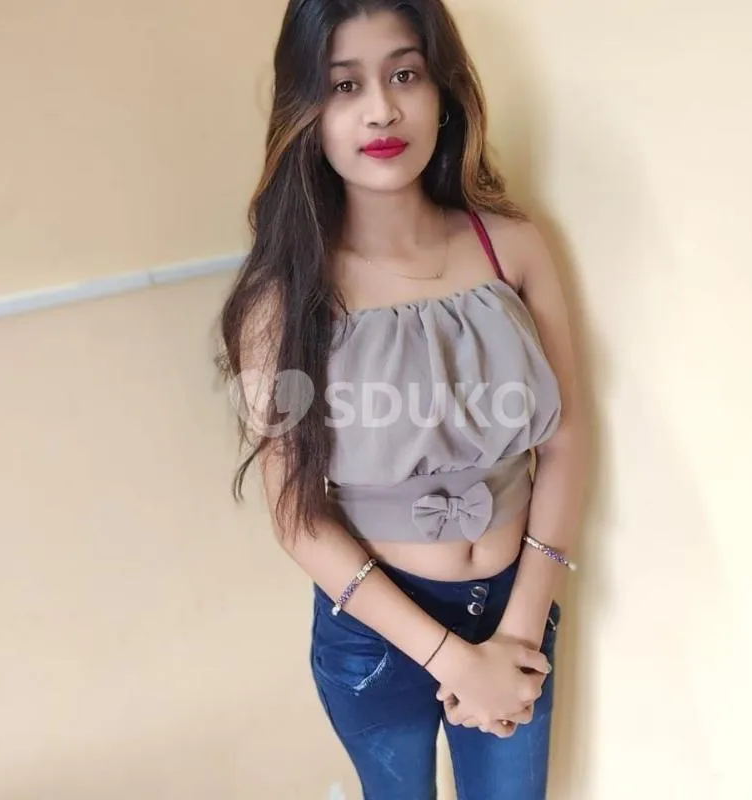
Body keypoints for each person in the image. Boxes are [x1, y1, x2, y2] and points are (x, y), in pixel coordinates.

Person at [218, 1, 586, 797]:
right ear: (305, 111)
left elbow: (566, 440)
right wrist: (454, 660)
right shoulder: (283, 301)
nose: (382, 109)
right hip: (375, 632)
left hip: (517, 608)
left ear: (441, 88)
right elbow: (295, 512)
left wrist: (520, 627)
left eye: (405, 75)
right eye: (344, 85)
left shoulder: (512, 246)